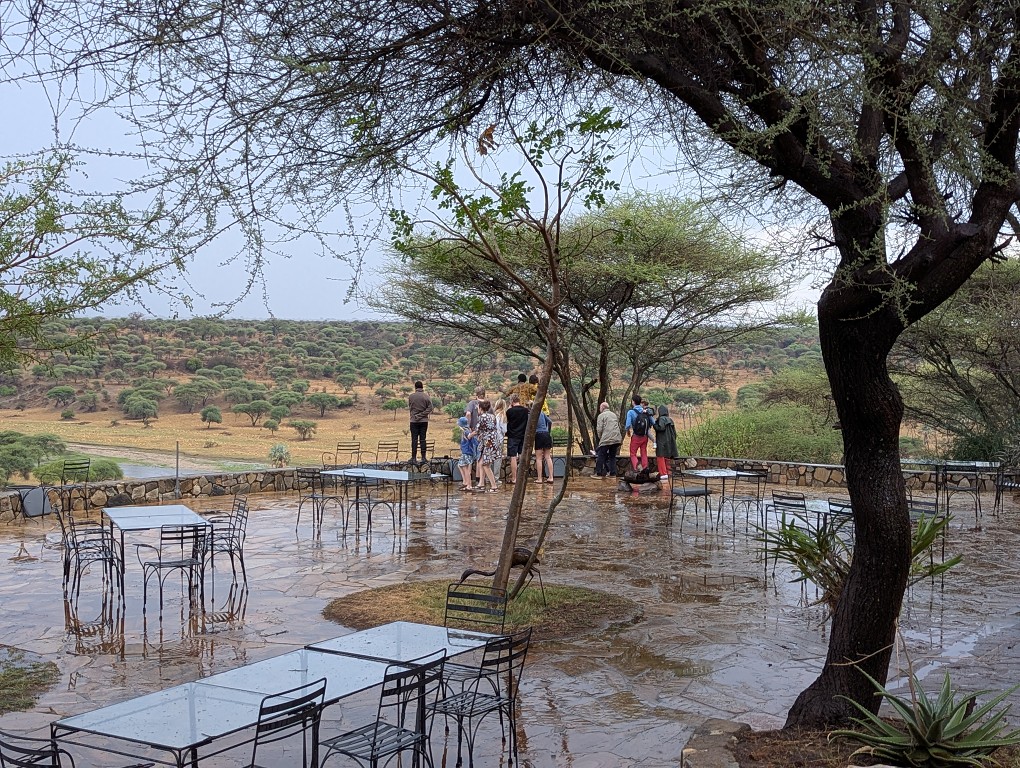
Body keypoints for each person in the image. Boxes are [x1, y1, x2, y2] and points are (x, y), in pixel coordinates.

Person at [475, 399, 502, 492]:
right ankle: (481, 483)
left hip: (488, 442)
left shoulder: (481, 417)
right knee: (481, 462)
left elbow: (477, 429)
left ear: (480, 408)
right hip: (493, 440)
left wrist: (470, 435)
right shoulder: (492, 416)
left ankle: (494, 486)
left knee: (486, 465)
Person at [407, 380, 433, 465]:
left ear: (415, 387)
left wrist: (416, 416)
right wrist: (422, 415)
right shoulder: (426, 397)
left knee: (414, 439)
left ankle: (413, 458)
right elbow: (430, 408)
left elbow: (410, 407)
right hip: (423, 421)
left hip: (414, 421)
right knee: (423, 439)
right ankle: (423, 457)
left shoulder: (411, 396)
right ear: (422, 387)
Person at [595, 402, 623, 479]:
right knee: (612, 456)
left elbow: (599, 429)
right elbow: (619, 426)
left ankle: (598, 473)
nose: (599, 409)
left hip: (606, 439)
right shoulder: (614, 415)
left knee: (601, 455)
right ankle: (612, 474)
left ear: (603, 407)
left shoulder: (601, 416)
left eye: (600, 407)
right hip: (616, 438)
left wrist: (601, 438)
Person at [505, 393, 529, 483]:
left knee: (513, 457)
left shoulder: (510, 411)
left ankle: (514, 478)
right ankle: (522, 476)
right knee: (522, 455)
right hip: (523, 435)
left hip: (512, 436)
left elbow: (506, 421)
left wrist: (509, 408)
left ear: (512, 401)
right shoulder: (525, 411)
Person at [625, 394, 652, 472]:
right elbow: (652, 422)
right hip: (645, 436)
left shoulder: (631, 412)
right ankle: (645, 467)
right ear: (640, 402)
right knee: (643, 452)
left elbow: (627, 425)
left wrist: (628, 431)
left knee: (633, 453)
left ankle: (638, 468)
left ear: (633, 402)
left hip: (636, 436)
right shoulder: (645, 411)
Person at [652, 404, 680, 480]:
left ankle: (663, 474)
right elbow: (674, 433)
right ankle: (668, 473)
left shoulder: (661, 419)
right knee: (667, 458)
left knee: (660, 457)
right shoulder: (670, 420)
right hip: (670, 442)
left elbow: (661, 428)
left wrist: (654, 424)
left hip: (661, 441)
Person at [456, 416, 478, 491]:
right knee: (461, 465)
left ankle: (468, 485)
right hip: (466, 452)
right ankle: (466, 482)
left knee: (466, 469)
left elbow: (469, 436)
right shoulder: (466, 431)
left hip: (467, 453)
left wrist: (473, 434)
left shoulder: (466, 431)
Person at [534, 409, 555, 484]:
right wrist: (548, 431)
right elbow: (550, 421)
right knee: (548, 457)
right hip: (546, 434)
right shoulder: (542, 412)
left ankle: (539, 478)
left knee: (539, 458)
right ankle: (551, 477)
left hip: (538, 435)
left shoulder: (532, 413)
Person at [492, 397, 508, 483]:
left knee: (490, 457)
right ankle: (495, 477)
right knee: (498, 458)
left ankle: (488, 477)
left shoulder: (493, 415)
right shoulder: (502, 415)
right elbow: (504, 429)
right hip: (499, 439)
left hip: (491, 438)